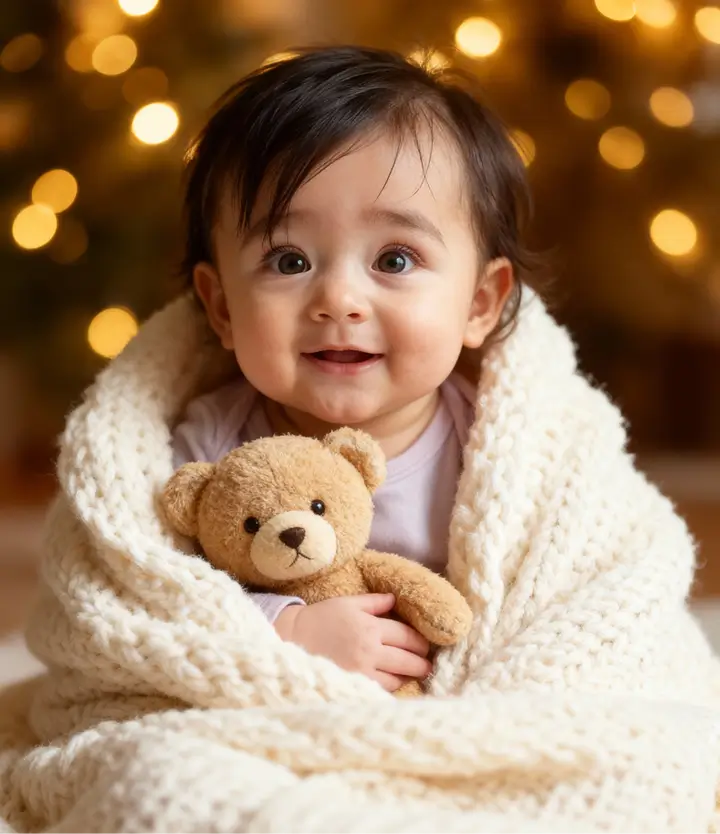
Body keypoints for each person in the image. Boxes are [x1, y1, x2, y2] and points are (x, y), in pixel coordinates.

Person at [172, 45, 543, 693]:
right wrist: (283, 631)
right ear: (222, 307)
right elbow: (156, 596)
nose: (339, 301)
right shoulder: (208, 445)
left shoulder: (506, 445)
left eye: (395, 260)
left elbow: (570, 588)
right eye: (289, 260)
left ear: (479, 304)